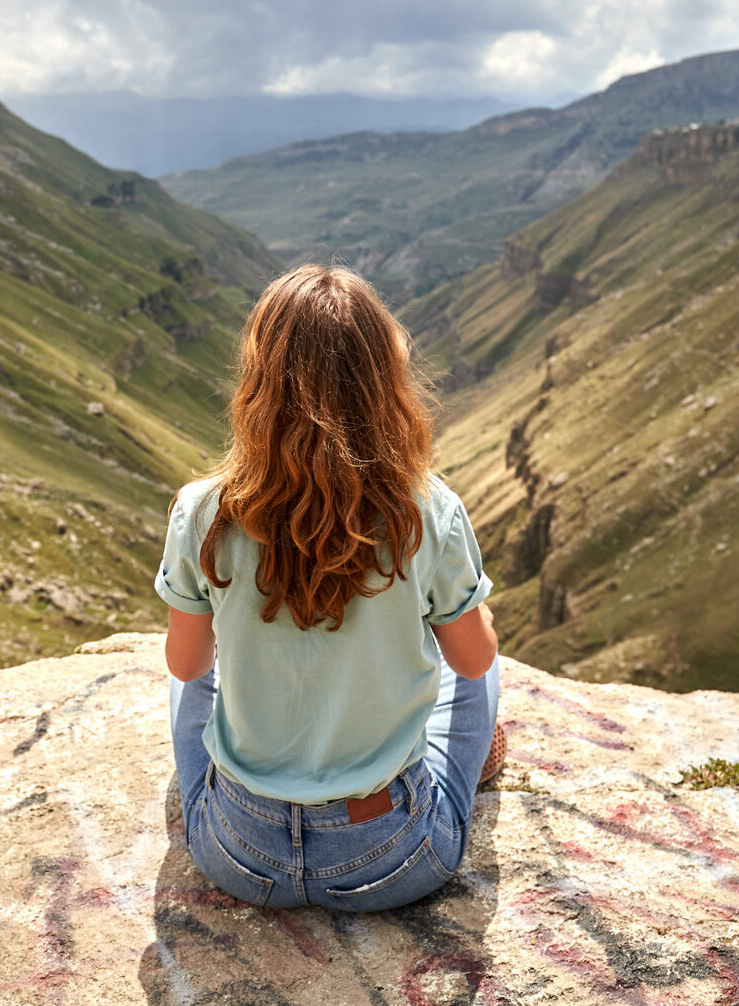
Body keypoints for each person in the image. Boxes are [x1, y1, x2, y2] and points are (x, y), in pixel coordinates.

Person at [157, 264, 502, 912]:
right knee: (477, 665)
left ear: (260, 381)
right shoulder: (426, 508)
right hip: (390, 853)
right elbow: (474, 658)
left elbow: (186, 664)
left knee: (188, 672)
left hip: (239, 849)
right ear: (383, 381)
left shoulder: (202, 511)